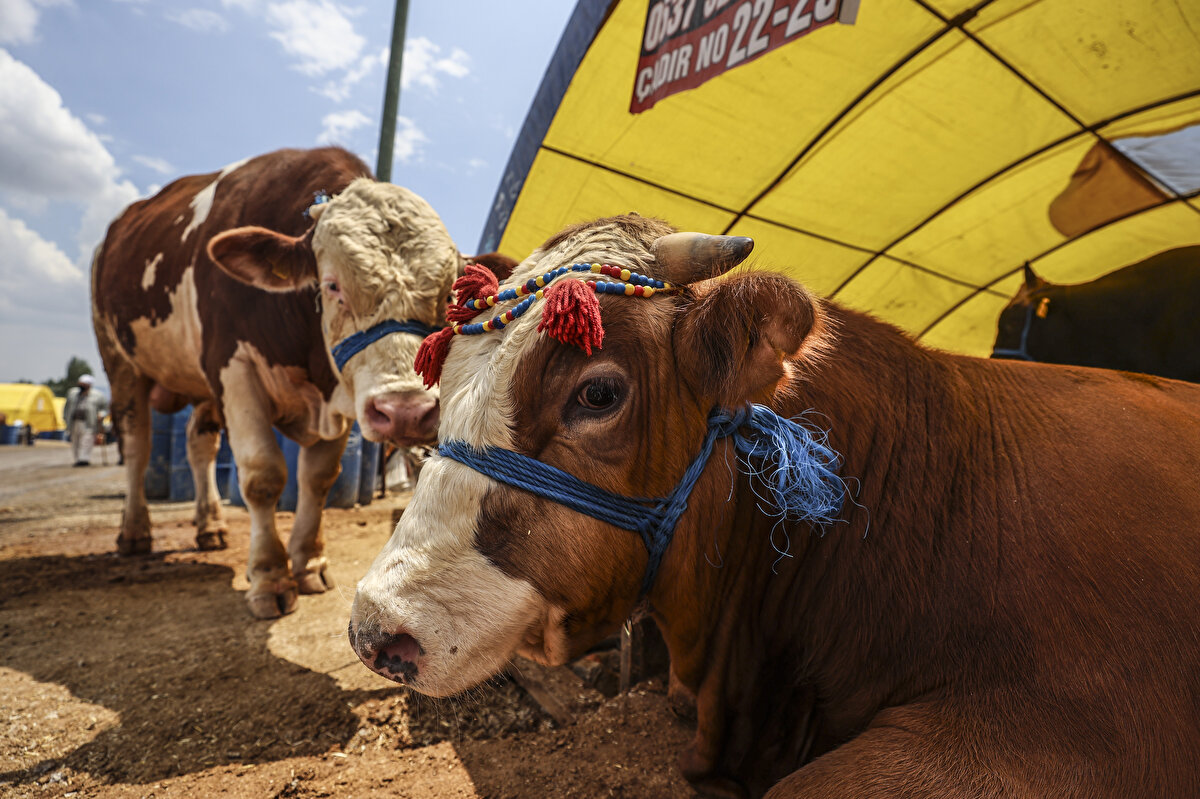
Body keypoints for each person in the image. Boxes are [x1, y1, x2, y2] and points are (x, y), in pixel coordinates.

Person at [64, 375, 107, 466]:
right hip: (74, 422)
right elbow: (66, 408)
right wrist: (65, 418)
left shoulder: (97, 396)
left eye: (84, 384)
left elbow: (105, 408)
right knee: (75, 441)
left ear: (89, 385)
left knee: (86, 441)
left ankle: (84, 459)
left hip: (89, 423)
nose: (81, 386)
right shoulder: (72, 394)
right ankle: (78, 459)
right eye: (80, 384)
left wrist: (102, 414)